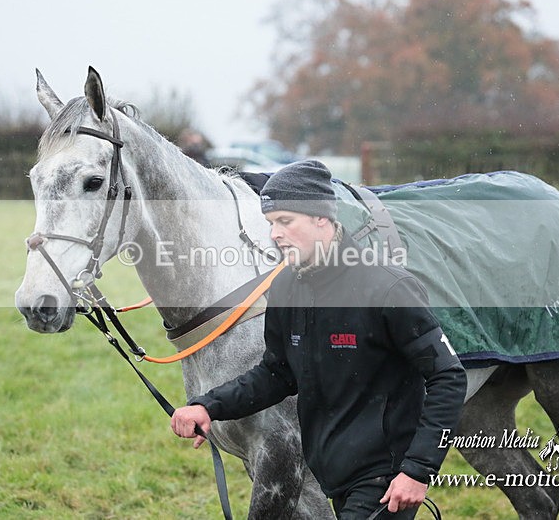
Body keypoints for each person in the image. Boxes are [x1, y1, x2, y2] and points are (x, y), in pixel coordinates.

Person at [171, 160, 467, 519]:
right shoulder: (286, 286)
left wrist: (417, 470)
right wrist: (209, 406)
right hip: (335, 475)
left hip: (386, 480)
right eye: (271, 223)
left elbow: (448, 377)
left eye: (286, 221)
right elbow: (277, 374)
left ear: (321, 219)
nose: (275, 234)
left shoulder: (388, 287)